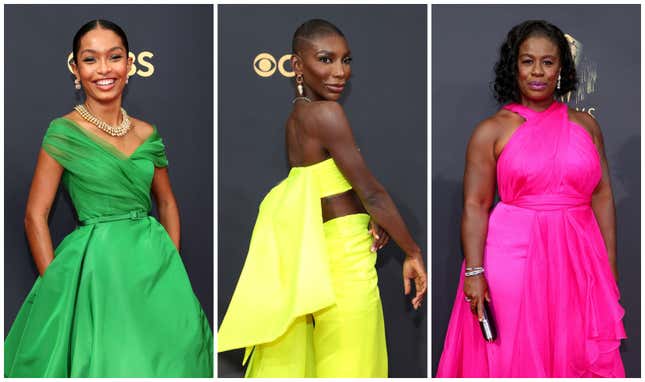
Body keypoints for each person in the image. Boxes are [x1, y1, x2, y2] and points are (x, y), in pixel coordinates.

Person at [217, 19, 427, 378]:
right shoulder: (327, 114)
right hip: (343, 259)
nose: (339, 72)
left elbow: (332, 188)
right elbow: (372, 192)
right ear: (298, 65)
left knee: (330, 363)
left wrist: (367, 211)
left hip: (319, 255)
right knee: (353, 362)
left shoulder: (297, 117)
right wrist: (413, 252)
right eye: (326, 60)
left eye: (345, 60)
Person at [4, 19, 213, 377]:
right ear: (75, 68)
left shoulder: (148, 133)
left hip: (154, 269)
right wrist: (57, 285)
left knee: (172, 360)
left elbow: (166, 202)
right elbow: (35, 215)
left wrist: (170, 264)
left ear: (129, 64)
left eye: (114, 57)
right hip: (97, 274)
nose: (104, 69)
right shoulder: (63, 131)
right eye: (90, 59)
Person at [436, 20, 625, 377]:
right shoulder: (491, 130)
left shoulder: (586, 126)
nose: (538, 71)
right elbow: (475, 205)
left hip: (577, 257)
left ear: (561, 69)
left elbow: (601, 193)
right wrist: (474, 272)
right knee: (513, 353)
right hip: (513, 258)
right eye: (528, 61)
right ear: (515, 66)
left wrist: (608, 265)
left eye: (548, 62)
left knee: (575, 349)